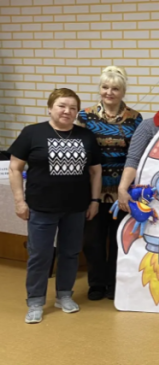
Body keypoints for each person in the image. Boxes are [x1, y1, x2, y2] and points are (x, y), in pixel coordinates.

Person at [9, 89, 102, 324]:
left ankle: (64, 295)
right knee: (40, 255)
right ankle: (35, 301)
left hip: (76, 208)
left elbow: (95, 171)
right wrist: (19, 201)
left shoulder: (85, 136)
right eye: (62, 105)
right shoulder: (32, 133)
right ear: (50, 108)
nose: (67, 111)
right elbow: (15, 168)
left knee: (70, 253)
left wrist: (94, 200)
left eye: (73, 107)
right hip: (41, 208)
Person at [77, 66, 143, 301]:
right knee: (92, 239)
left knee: (119, 239)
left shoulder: (135, 118)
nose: (109, 92)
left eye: (115, 88)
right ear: (100, 89)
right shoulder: (85, 116)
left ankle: (116, 283)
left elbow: (137, 154)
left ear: (123, 91)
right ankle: (96, 283)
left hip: (122, 189)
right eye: (105, 87)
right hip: (92, 189)